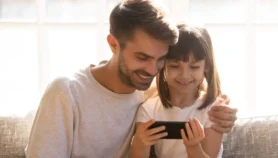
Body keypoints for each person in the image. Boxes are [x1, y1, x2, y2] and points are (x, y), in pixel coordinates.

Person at [25, 0, 237, 158]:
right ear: (113, 44)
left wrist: (224, 113)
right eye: (142, 57)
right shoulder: (66, 92)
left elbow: (192, 95)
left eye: (161, 59)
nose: (153, 69)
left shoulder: (149, 91)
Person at [129, 24, 229, 158]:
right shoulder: (149, 109)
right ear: (163, 65)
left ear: (206, 67)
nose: (184, 75)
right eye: (175, 66)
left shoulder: (214, 110)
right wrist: (139, 143)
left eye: (194, 67)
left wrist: (193, 147)